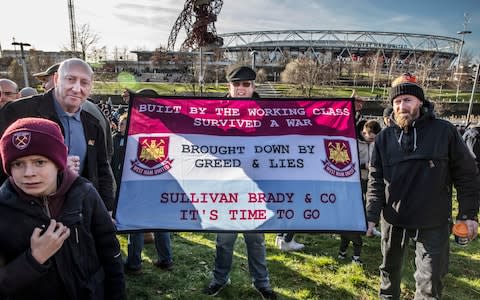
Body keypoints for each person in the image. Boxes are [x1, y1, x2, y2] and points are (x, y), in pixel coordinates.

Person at [365, 73, 479, 299]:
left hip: (433, 221)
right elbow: (376, 179)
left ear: (420, 102)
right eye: (397, 102)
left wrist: (467, 214)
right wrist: (370, 214)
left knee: (430, 281)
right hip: (393, 219)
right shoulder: (384, 139)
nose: (401, 106)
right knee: (388, 273)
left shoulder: (444, 131)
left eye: (407, 100)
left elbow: (467, 175)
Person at [0, 117, 125, 299]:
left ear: (58, 163)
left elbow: (111, 254)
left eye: (39, 162)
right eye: (18, 164)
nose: (29, 173)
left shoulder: (84, 194)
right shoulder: (3, 208)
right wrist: (34, 260)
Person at [0, 58, 115, 212]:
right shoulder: (18, 111)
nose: (76, 88)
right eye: (70, 79)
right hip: (24, 213)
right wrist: (55, 166)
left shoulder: (92, 123)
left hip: (76, 214)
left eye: (84, 83)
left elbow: (102, 170)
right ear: (56, 79)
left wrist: (106, 209)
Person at [204, 66, 276, 299]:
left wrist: (349, 114)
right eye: (237, 85)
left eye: (246, 85)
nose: (241, 89)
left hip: (256, 187)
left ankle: (262, 283)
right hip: (226, 187)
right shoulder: (214, 111)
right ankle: (219, 279)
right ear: (229, 87)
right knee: (224, 241)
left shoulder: (268, 112)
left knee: (256, 241)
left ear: (254, 87)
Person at [114, 89, 174, 275]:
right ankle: (165, 259)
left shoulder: (141, 125)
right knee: (158, 224)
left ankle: (134, 264)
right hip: (156, 184)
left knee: (137, 226)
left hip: (140, 185)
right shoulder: (164, 124)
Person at [33, 63, 114, 161]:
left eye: (46, 80)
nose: (43, 86)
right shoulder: (95, 109)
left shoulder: (86, 112)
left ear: (57, 79)